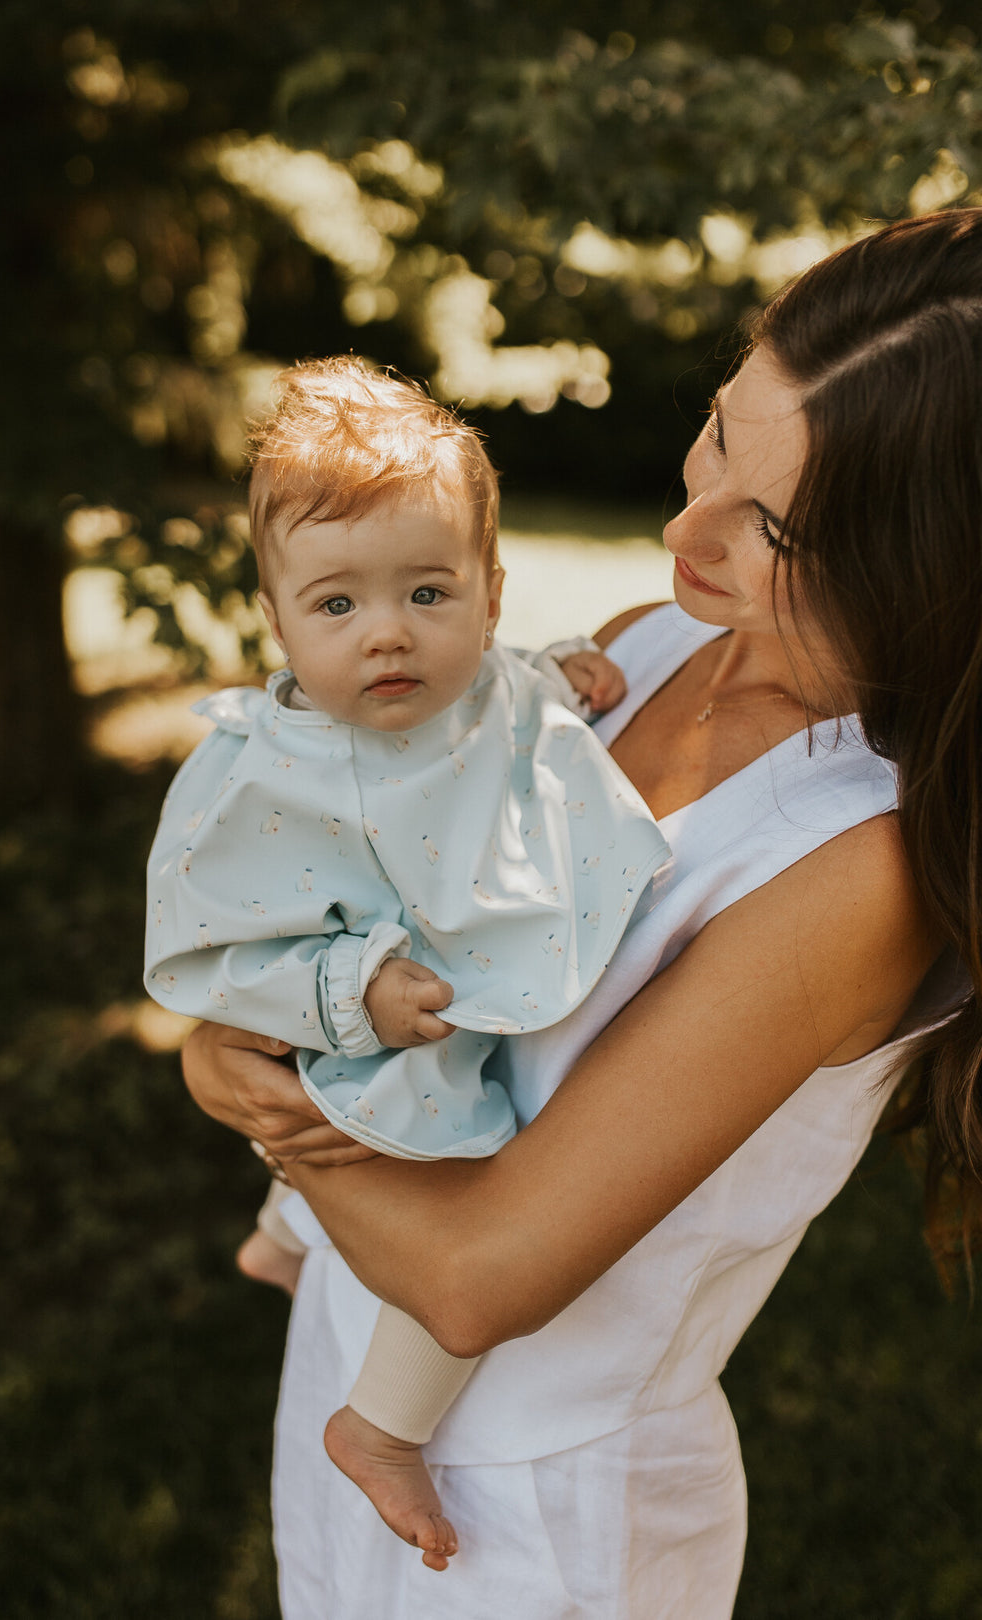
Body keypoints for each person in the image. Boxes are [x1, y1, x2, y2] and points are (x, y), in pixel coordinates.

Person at [180, 209, 982, 1619]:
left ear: (933, 573)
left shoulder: (859, 865)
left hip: (534, 1517)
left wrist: (254, 1088)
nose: (686, 528)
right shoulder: (659, 638)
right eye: (723, 436)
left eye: (776, 525)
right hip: (352, 1360)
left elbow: (482, 1275)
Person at [144, 356, 669, 1568]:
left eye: (428, 592)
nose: (388, 634)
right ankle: (382, 1428)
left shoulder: (485, 676)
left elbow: (497, 698)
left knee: (394, 1094)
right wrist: (350, 995)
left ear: (490, 592)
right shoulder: (260, 773)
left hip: (451, 972)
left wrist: (561, 666)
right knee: (457, 1150)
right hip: (379, 1005)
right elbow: (217, 955)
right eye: (336, 608)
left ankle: (279, 1241)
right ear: (274, 619)